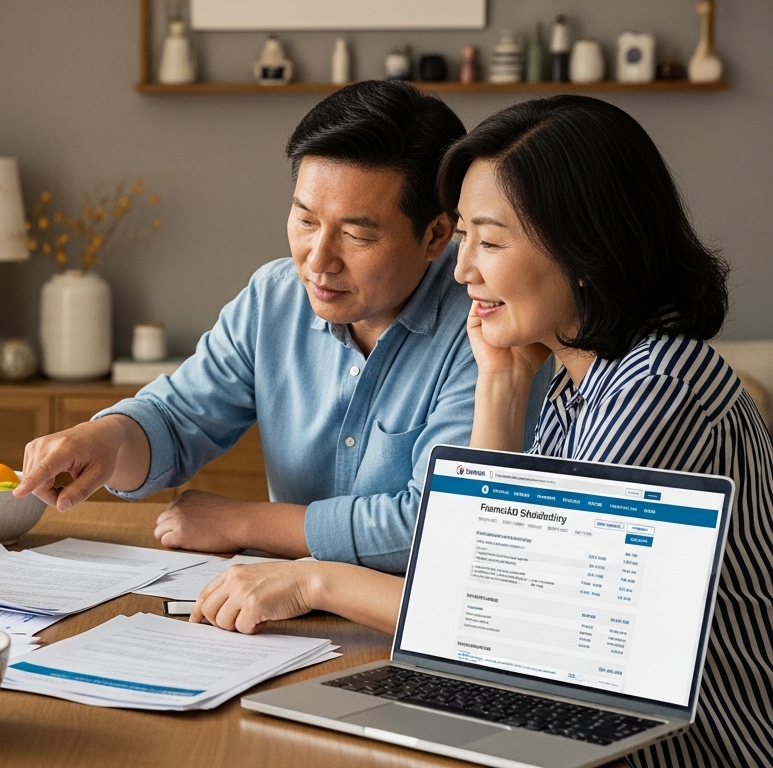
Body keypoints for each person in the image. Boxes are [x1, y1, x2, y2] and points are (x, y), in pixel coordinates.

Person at [195, 95, 773, 767]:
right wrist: (500, 384)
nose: (463, 269)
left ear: (586, 249)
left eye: (490, 242)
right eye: (464, 236)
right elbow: (477, 571)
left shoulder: (655, 390)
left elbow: (509, 629)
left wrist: (314, 582)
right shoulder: (582, 377)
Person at [18, 80, 541, 571]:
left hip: (403, 618)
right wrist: (107, 439)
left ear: (435, 235)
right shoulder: (274, 298)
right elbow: (176, 422)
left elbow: (437, 523)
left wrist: (246, 523)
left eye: (357, 236)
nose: (318, 260)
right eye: (306, 220)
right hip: (273, 606)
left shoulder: (486, 324)